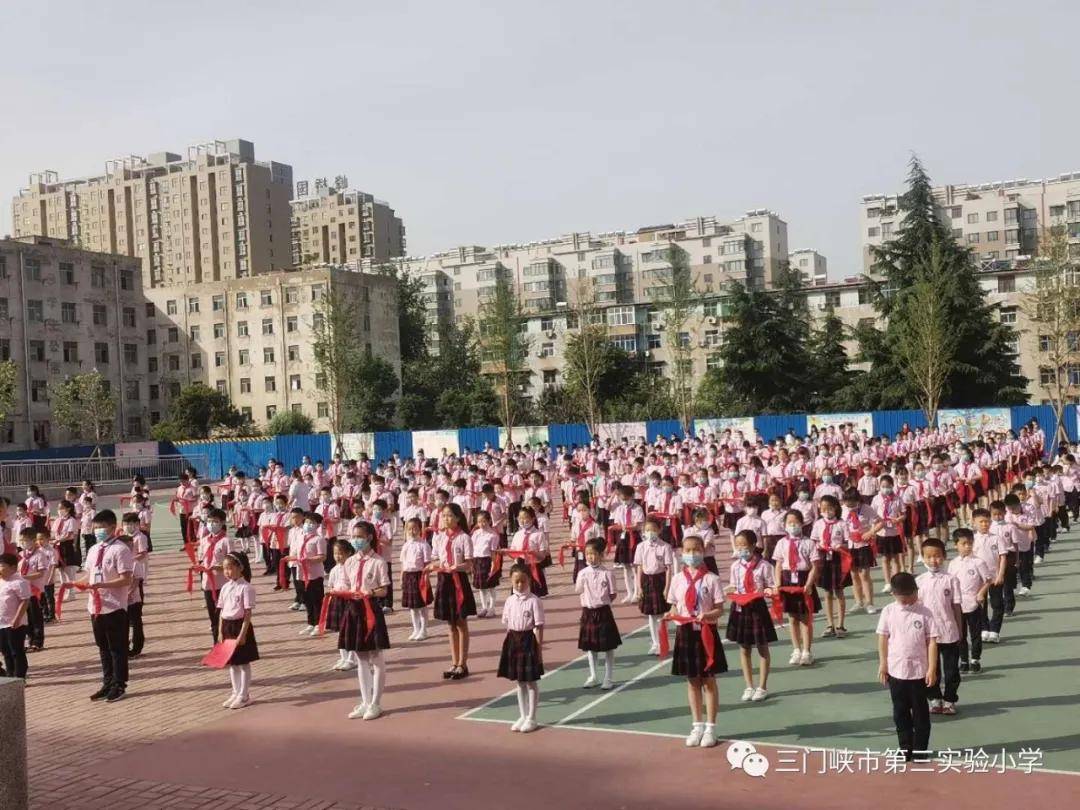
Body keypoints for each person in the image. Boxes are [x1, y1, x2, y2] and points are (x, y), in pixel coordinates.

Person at [664, 534, 727, 749]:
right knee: (692, 681)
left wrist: (708, 615)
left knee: (709, 681)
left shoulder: (712, 579)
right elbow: (674, 605)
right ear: (682, 553)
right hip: (686, 633)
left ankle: (711, 727)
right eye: (688, 550)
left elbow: (720, 609)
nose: (692, 554)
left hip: (706, 633)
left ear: (703, 551)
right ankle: (696, 725)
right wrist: (671, 614)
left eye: (696, 550)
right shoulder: (677, 579)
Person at [876, 572, 938, 761]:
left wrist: (932, 668)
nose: (905, 600)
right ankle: (905, 748)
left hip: (919, 672)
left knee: (920, 715)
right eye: (901, 597)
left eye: (909, 596)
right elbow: (883, 638)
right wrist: (883, 663)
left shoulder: (925, 612)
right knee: (900, 713)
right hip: (896, 671)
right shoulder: (888, 611)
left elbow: (932, 642)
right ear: (893, 594)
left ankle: (920, 750)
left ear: (916, 592)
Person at [77, 509, 134, 702]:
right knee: (102, 647)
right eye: (96, 528)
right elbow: (90, 574)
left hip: (114, 606)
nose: (98, 531)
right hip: (95, 606)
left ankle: (119, 684)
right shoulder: (93, 549)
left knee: (117, 647)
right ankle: (107, 681)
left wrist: (102, 585)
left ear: (112, 527)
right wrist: (78, 583)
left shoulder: (121, 549)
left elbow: (125, 579)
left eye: (102, 527)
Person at [339, 524, 391, 720]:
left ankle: (376, 703)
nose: (356, 540)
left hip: (370, 609)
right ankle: (365, 700)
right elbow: (345, 584)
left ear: (369, 537)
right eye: (353, 536)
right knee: (360, 658)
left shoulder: (378, 562)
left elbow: (384, 589)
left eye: (359, 536)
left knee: (376, 657)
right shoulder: (350, 561)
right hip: (353, 609)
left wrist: (370, 592)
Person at [725, 530, 776, 702]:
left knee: (762, 647)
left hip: (757, 607)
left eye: (744, 546)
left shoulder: (764, 566)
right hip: (740, 607)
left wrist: (766, 591)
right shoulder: (735, 566)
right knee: (744, 648)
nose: (741, 549)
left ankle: (762, 686)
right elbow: (733, 585)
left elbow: (772, 587)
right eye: (738, 546)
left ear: (754, 546)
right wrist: (730, 590)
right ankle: (749, 685)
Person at [428, 503, 476, 680]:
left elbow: (470, 564)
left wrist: (458, 566)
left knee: (461, 622)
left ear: (457, 518)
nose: (446, 519)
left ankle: (463, 664)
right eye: (444, 515)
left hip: (458, 580)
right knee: (450, 623)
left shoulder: (464, 538)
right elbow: (437, 558)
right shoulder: (439, 537)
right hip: (444, 580)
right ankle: (454, 662)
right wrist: (432, 566)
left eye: (449, 516)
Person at [916, 538, 963, 715]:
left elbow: (956, 607)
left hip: (949, 632)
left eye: (937, 556)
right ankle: (934, 699)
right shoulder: (919, 581)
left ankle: (950, 700)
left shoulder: (951, 580)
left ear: (944, 557)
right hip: (928, 637)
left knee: (951, 671)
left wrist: (960, 631)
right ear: (922, 557)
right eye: (928, 556)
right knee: (931, 670)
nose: (933, 560)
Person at [498, 563, 545, 733]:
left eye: (523, 581)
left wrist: (539, 650)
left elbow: (539, 627)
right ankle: (523, 715)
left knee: (531, 681)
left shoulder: (534, 601)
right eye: (516, 581)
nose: (519, 585)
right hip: (513, 640)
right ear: (511, 581)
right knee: (519, 681)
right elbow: (508, 624)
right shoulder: (510, 600)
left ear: (529, 580)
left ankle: (532, 718)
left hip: (528, 640)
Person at [772, 510, 821, 666]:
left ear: (802, 523)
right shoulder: (781, 543)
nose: (792, 525)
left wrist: (809, 584)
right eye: (789, 523)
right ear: (785, 525)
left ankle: (807, 651)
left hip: (804, 580)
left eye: (795, 522)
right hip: (787, 580)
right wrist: (777, 583)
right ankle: (796, 649)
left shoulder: (809, 543)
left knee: (805, 619)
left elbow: (814, 566)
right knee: (792, 618)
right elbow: (778, 564)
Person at [574, 537, 620, 690]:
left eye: (593, 554)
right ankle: (593, 675)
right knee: (590, 647)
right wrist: (583, 581)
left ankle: (609, 677)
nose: (590, 557)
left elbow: (612, 594)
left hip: (603, 612)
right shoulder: (582, 573)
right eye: (587, 554)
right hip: (588, 612)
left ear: (601, 555)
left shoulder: (607, 573)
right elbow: (578, 590)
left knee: (608, 647)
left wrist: (602, 601)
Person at [216, 552, 259, 709]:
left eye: (230, 568)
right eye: (224, 568)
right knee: (233, 664)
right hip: (227, 626)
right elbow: (221, 611)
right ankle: (235, 692)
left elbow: (247, 613)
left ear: (240, 568)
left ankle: (244, 695)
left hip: (240, 626)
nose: (227, 571)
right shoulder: (225, 587)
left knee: (243, 663)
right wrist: (220, 631)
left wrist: (242, 634)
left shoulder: (246, 588)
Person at [948, 528, 992, 675]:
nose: (967, 546)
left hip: (973, 603)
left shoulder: (978, 562)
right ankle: (964, 660)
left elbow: (988, 580)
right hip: (957, 605)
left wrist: (981, 593)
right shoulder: (953, 563)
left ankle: (975, 660)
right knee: (960, 635)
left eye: (970, 543)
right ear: (956, 545)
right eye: (964, 543)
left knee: (975, 634)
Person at [812, 495, 851, 638]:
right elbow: (814, 540)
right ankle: (830, 624)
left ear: (836, 508)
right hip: (824, 559)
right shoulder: (818, 524)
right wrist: (819, 546)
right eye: (823, 509)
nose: (827, 511)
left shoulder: (842, 523)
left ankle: (841, 625)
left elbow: (848, 542)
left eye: (829, 508)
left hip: (838, 558)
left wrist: (841, 546)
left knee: (839, 592)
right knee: (827, 593)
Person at [634, 516, 674, 655]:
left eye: (653, 530)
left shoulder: (666, 547)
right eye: (647, 530)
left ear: (659, 530)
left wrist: (667, 588)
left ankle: (663, 642)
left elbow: (669, 569)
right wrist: (638, 587)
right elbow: (639, 568)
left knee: (662, 614)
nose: (650, 533)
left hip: (660, 579)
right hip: (647, 580)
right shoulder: (641, 547)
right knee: (651, 615)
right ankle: (655, 642)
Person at [196, 508, 230, 644]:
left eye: (215, 521)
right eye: (209, 521)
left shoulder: (226, 541)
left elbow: (233, 562)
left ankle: (228, 642)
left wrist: (220, 567)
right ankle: (217, 643)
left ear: (222, 523)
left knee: (225, 615)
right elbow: (201, 559)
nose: (212, 524)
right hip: (208, 583)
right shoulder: (204, 541)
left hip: (223, 583)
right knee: (213, 616)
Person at [399, 518, 433, 641]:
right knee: (412, 607)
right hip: (408, 576)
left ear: (420, 529)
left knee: (422, 605)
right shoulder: (406, 545)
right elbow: (403, 563)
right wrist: (401, 577)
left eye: (414, 528)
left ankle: (424, 630)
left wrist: (426, 579)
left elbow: (427, 564)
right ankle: (416, 629)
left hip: (420, 576)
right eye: (409, 529)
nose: (412, 531)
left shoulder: (424, 545)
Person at [326, 539, 356, 670]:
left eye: (341, 553)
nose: (338, 556)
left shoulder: (353, 568)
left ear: (349, 553)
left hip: (349, 601)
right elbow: (331, 585)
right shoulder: (333, 570)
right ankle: (343, 657)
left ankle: (351, 659)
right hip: (337, 601)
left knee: (350, 630)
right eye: (335, 553)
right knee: (339, 631)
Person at [0, 552, 31, 678]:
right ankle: (10, 675)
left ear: (13, 567)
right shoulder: (1, 581)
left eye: (2, 566)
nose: (0, 569)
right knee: (5, 651)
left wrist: (17, 618)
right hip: (1, 623)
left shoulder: (19, 582)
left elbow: (25, 600)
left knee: (16, 651)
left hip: (14, 623)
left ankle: (20, 677)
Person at [122, 513, 149, 657]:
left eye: (132, 524)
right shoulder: (121, 537)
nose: (129, 526)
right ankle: (125, 645)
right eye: (126, 523)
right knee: (124, 620)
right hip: (123, 589)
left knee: (135, 618)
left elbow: (143, 553)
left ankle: (137, 645)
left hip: (135, 583)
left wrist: (131, 558)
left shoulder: (140, 537)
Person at [470, 510, 501, 617]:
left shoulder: (493, 535)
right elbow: (472, 548)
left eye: (484, 521)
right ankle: (484, 607)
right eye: (479, 522)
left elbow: (493, 552)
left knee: (491, 586)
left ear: (489, 521)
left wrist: (493, 565)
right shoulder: (475, 533)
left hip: (487, 561)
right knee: (481, 587)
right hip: (477, 561)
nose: (481, 524)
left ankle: (492, 608)